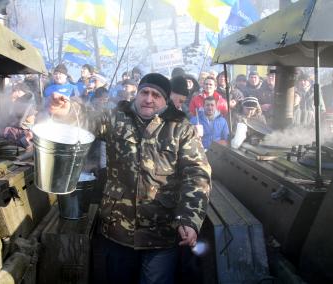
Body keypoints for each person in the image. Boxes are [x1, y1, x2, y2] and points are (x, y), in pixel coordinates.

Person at [47, 73, 211, 284]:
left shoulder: (180, 128)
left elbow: (197, 173)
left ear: (165, 100)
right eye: (144, 92)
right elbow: (87, 120)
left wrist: (190, 218)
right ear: (137, 94)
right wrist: (67, 111)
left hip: (161, 233)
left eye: (156, 95)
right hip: (118, 230)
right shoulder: (117, 117)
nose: (149, 99)